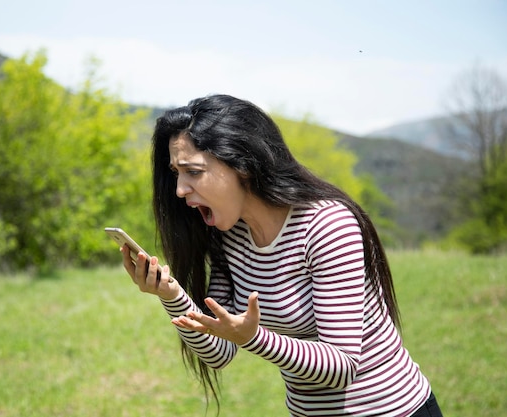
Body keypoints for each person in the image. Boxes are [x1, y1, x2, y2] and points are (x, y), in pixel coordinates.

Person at [120, 94, 443, 417]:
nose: (179, 189)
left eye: (193, 171)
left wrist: (255, 337)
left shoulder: (326, 225)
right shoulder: (229, 236)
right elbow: (218, 352)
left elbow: (341, 366)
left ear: (242, 166)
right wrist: (171, 294)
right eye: (177, 172)